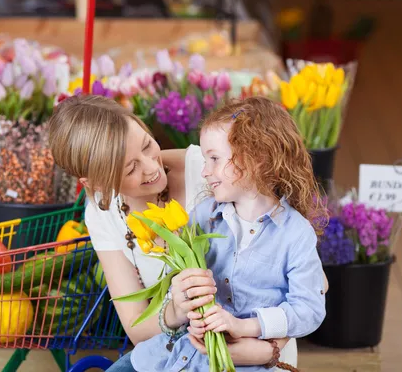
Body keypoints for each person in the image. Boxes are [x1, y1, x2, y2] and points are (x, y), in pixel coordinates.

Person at [48, 95, 301, 371]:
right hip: (177, 352)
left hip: (255, 348)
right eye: (131, 168)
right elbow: (136, 327)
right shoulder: (102, 212)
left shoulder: (212, 170)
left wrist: (267, 349)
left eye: (146, 145)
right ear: (95, 182)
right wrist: (176, 311)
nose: (151, 167)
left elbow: (312, 280)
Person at [130, 96, 328, 372]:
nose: (205, 171)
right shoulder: (203, 215)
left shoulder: (295, 234)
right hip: (180, 354)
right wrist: (187, 306)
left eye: (214, 158)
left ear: (256, 158)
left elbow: (309, 310)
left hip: (244, 364)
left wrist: (243, 326)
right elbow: (178, 286)